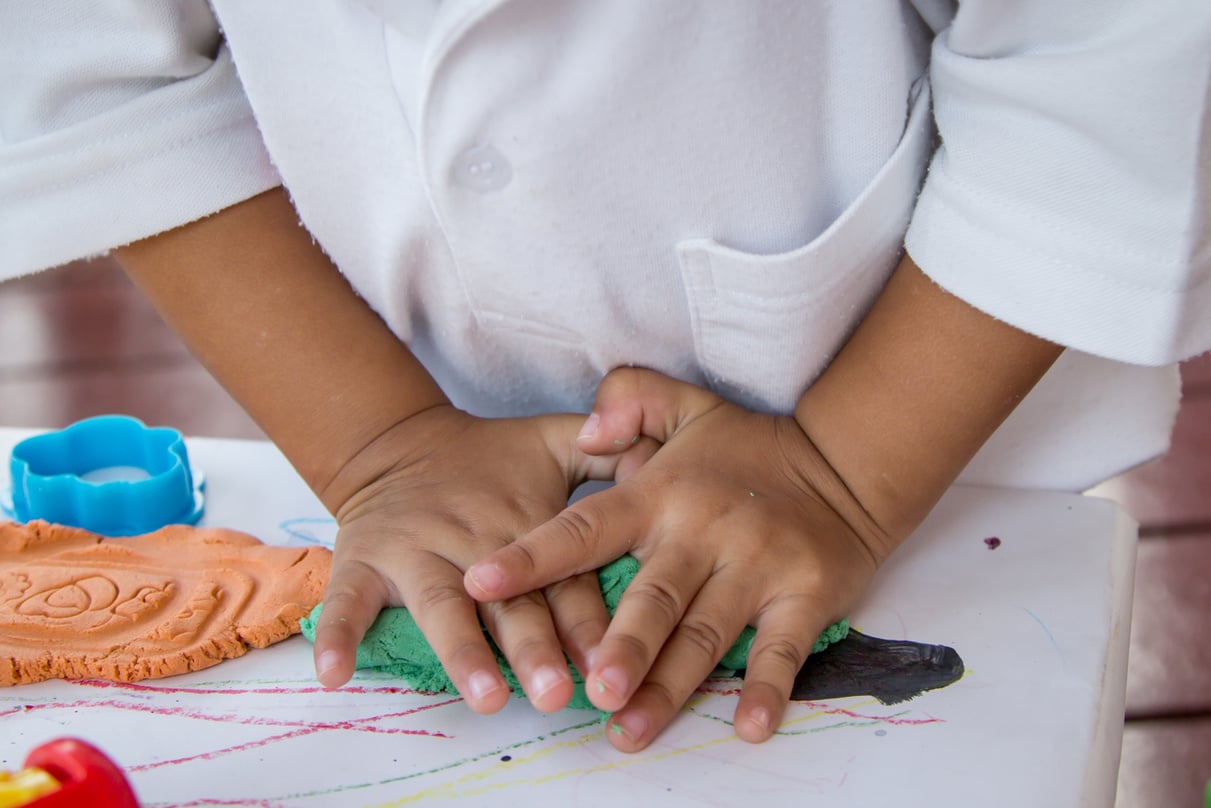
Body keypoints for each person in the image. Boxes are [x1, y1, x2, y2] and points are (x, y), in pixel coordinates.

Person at [2, 1, 1208, 753]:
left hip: (935, 417)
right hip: (415, 395)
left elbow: (1098, 43)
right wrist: (378, 439)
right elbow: (93, 63)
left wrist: (848, 468)